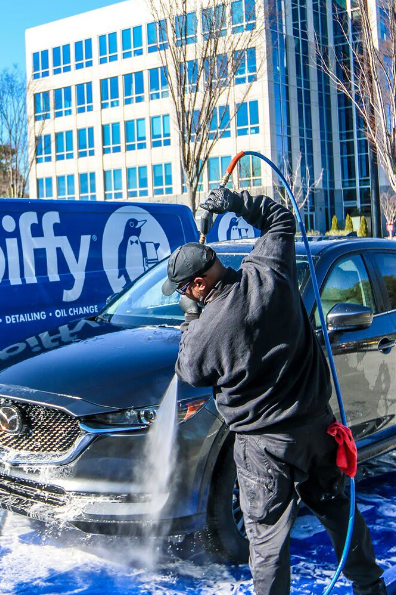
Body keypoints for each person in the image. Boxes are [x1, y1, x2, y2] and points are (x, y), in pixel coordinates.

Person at [163, 188, 386, 595]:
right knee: (340, 512)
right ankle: (371, 589)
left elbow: (189, 370)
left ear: (198, 284)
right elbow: (280, 218)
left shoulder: (206, 331)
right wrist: (231, 201)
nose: (181, 299)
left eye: (182, 292)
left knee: (267, 545)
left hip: (262, 450)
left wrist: (191, 319)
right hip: (316, 430)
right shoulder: (269, 271)